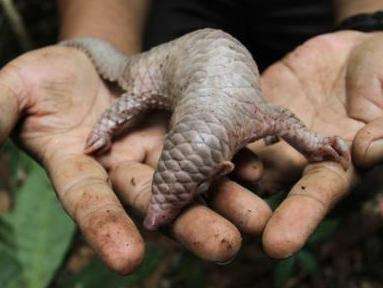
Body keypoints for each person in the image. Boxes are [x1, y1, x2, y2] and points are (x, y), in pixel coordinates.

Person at [0, 0, 382, 274]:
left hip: (293, 29)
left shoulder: (251, 116)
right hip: (175, 54)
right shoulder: (253, 116)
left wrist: (369, 24)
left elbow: (284, 120)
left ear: (224, 166)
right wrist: (106, 120)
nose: (155, 219)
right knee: (141, 91)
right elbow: (283, 121)